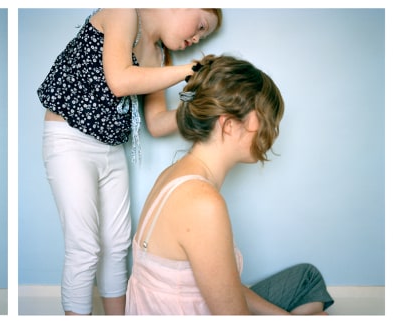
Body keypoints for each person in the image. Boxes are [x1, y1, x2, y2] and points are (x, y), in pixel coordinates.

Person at [37, 8, 222, 315]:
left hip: (111, 149)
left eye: (203, 36)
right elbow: (120, 81)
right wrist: (191, 70)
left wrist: (208, 107)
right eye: (200, 25)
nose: (196, 38)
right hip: (69, 140)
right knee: (84, 247)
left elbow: (158, 122)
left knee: (118, 244)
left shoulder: (159, 55)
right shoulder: (123, 11)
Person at [125, 54, 334, 315]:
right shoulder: (202, 202)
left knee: (307, 277)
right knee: (318, 311)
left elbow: (222, 285)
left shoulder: (173, 175)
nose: (272, 133)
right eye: (267, 121)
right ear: (229, 124)